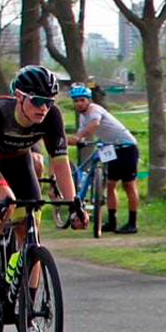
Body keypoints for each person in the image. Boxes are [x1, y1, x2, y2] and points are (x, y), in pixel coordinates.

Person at [0, 65, 88, 332]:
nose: (44, 108)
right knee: (5, 204)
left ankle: (29, 314)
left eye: (50, 102)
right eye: (38, 101)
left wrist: (73, 205)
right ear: (19, 96)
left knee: (32, 222)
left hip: (19, 161)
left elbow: (61, 164)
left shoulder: (52, 117)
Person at [68, 83, 140, 234]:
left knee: (129, 185)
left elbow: (95, 124)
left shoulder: (95, 110)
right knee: (110, 185)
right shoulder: (83, 116)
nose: (79, 103)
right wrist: (75, 140)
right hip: (111, 148)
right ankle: (112, 222)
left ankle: (132, 223)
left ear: (88, 100)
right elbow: (83, 131)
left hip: (127, 147)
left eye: (82, 100)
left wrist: (78, 137)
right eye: (75, 101)